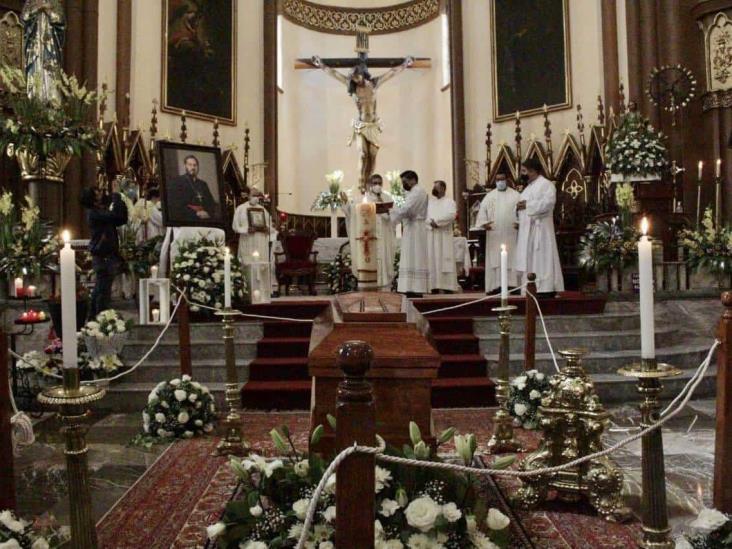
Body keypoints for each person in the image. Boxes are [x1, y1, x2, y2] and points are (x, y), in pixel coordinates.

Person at [312, 55, 414, 190]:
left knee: (372, 155)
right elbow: (335, 74)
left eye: (357, 76)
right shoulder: (353, 88)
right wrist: (321, 64)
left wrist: (405, 64)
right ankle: (361, 181)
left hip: (373, 125)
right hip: (361, 125)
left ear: (362, 73)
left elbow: (391, 73)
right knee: (362, 154)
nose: (355, 79)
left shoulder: (374, 83)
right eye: (353, 78)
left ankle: (369, 181)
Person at [514, 158, 564, 296]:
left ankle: (545, 288)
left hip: (541, 229)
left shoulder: (546, 185)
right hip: (527, 230)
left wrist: (527, 205)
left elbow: (548, 203)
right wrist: (518, 209)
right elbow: (521, 206)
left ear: (533, 170)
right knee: (529, 258)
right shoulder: (527, 188)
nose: (522, 174)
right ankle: (529, 287)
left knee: (542, 257)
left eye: (524, 171)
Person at [80, 183, 129, 317]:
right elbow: (115, 216)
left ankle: (95, 318)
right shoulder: (94, 213)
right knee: (102, 291)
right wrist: (116, 196)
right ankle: (97, 318)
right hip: (103, 256)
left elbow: (121, 218)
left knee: (102, 290)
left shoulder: (100, 211)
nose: (102, 193)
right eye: (98, 192)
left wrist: (117, 197)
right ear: (93, 198)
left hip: (107, 255)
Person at [341, 173, 396, 289]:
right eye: (375, 183)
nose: (377, 185)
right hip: (369, 236)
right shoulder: (361, 199)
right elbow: (350, 213)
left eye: (380, 183)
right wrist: (345, 203)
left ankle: (384, 282)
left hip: (383, 236)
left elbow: (394, 216)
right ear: (369, 185)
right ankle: (368, 282)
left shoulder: (387, 198)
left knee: (383, 258)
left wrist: (386, 211)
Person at [475, 173, 521, 293]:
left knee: (512, 258)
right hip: (494, 233)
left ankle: (513, 285)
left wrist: (519, 222)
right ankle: (495, 285)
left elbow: (522, 211)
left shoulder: (515, 195)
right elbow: (482, 212)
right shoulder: (489, 196)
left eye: (502, 179)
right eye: (498, 180)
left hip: (511, 232)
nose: (500, 181)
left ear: (507, 180)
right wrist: (484, 223)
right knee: (495, 259)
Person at [390, 170, 429, 297]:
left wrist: (392, 214)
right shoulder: (414, 192)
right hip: (412, 227)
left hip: (415, 228)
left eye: (405, 182)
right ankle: (411, 287)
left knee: (414, 256)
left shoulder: (417, 191)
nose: (403, 185)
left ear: (412, 180)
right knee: (411, 256)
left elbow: (408, 210)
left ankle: (415, 288)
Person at [166, 155, 219, 224]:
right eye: (190, 165)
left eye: (195, 165)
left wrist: (208, 213)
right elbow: (176, 205)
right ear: (185, 166)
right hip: (188, 220)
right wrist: (196, 213)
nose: (193, 167)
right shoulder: (177, 182)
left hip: (205, 219)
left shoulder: (203, 184)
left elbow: (211, 203)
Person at [426, 180, 458, 293]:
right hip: (432, 235)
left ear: (443, 189)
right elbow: (425, 215)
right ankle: (433, 285)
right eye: (434, 187)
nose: (434, 189)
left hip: (444, 235)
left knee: (445, 260)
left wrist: (438, 222)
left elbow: (451, 215)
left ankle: (447, 286)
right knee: (432, 260)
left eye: (436, 187)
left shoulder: (450, 202)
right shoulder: (430, 202)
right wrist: (430, 222)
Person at [232, 188, 271, 265]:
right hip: (247, 240)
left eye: (257, 195)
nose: (256, 197)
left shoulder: (262, 209)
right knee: (247, 263)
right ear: (248, 196)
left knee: (261, 264)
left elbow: (270, 224)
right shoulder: (240, 209)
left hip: (261, 240)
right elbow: (235, 226)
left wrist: (267, 229)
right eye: (254, 195)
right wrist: (246, 230)